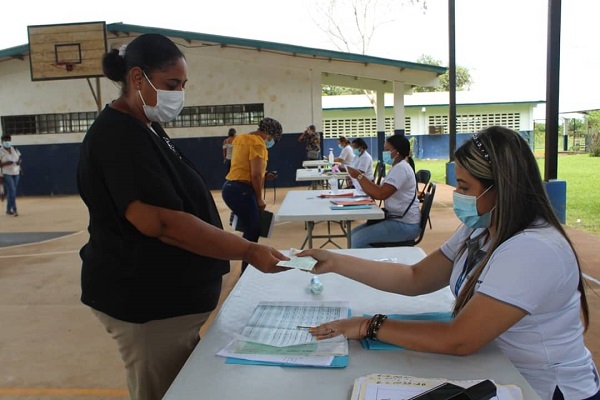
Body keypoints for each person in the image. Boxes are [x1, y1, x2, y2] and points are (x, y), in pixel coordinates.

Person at [300, 126, 600, 400]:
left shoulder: (534, 249)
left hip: (540, 388)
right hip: (496, 369)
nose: (457, 195)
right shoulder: (481, 227)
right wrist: (336, 262)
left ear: (502, 188)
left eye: (465, 187)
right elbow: (416, 277)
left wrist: (368, 326)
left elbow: (460, 339)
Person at [76, 34, 289, 400]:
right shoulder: (117, 137)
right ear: (138, 79)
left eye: (182, 85)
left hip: (173, 302)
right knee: (163, 392)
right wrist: (248, 251)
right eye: (171, 85)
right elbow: (162, 223)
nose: (179, 94)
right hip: (147, 304)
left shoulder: (148, 126)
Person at [222, 117, 282, 273]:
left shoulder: (241, 138)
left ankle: (246, 266)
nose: (272, 142)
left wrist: (265, 173)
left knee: (250, 228)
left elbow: (247, 166)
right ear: (269, 134)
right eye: (273, 139)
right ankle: (246, 271)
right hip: (241, 190)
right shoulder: (258, 143)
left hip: (229, 187)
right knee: (253, 229)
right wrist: (259, 199)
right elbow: (255, 175)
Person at [345, 134, 420, 248]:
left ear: (397, 151)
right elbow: (378, 190)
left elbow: (381, 194)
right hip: (395, 218)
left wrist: (359, 176)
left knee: (356, 241)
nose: (384, 152)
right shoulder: (397, 167)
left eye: (387, 149)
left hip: (405, 224)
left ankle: (376, 264)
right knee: (352, 235)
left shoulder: (401, 168)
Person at [0, 134, 22, 216]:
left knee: (11, 192)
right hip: (6, 173)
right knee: (12, 190)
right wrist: (6, 163)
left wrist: (19, 162)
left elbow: (19, 158)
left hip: (16, 172)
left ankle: (8, 209)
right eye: (5, 141)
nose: (7, 142)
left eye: (8, 140)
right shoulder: (0, 151)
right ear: (2, 141)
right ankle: (14, 209)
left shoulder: (14, 149)